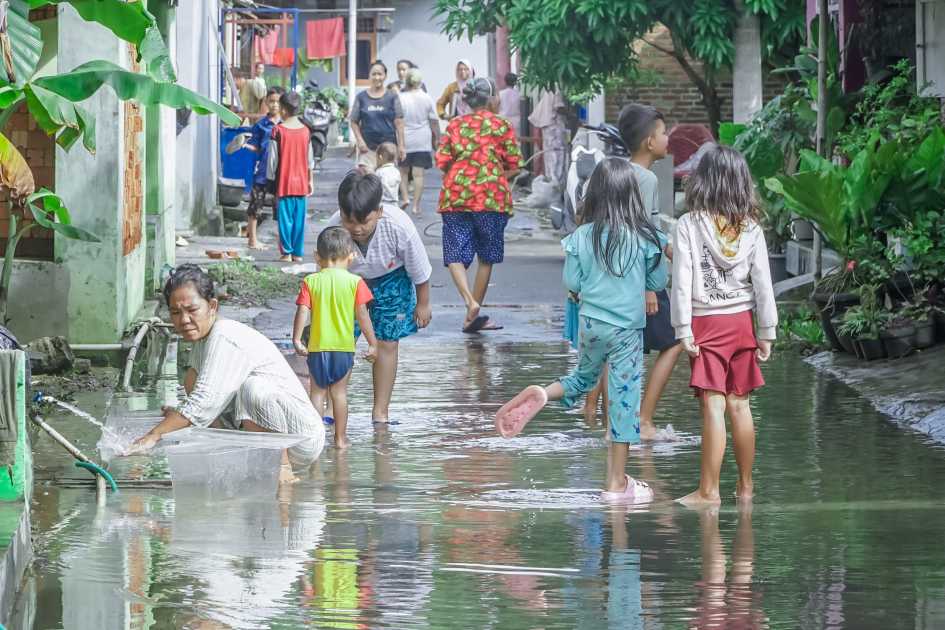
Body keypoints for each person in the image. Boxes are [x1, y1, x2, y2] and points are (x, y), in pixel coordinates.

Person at [494, 158, 668, 501]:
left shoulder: (581, 236)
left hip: (591, 325)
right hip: (627, 330)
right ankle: (617, 482)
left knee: (583, 379)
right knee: (623, 399)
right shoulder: (647, 238)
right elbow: (658, 281)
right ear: (632, 196)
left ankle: (544, 393)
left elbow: (571, 282)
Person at [130, 265, 325, 480]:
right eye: (176, 312)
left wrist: (152, 436)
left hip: (301, 439)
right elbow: (200, 399)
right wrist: (176, 420)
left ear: (212, 306)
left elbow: (202, 404)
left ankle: (283, 472)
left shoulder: (225, 336)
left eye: (192, 310)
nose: (184, 320)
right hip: (264, 428)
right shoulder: (201, 339)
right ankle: (232, 449)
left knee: (254, 390)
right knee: (191, 378)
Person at [671, 144, 777, 505]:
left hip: (705, 322)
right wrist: (767, 331)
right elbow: (763, 283)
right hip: (741, 322)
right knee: (740, 406)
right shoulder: (751, 229)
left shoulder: (688, 225)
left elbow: (682, 278)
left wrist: (682, 328)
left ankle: (708, 491)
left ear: (703, 181)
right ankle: (746, 488)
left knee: (714, 407)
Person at [587, 103, 681, 440]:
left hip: (614, 276)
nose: (668, 138)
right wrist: (651, 286)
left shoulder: (615, 172)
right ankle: (643, 419)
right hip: (641, 279)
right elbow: (645, 232)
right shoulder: (646, 179)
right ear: (648, 142)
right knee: (675, 341)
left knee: (621, 348)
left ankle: (617, 424)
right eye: (663, 132)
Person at [327, 171, 433, 425]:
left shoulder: (399, 226)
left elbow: (419, 268)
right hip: (347, 281)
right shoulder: (333, 229)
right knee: (341, 342)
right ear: (341, 213)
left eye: (364, 221)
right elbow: (326, 273)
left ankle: (380, 412)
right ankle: (332, 410)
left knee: (387, 341)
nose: (356, 229)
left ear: (379, 211)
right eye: (349, 221)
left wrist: (423, 303)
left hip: (391, 278)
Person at [436, 77, 523, 333]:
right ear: (492, 98)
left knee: (454, 253)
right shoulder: (501, 125)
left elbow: (442, 161)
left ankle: (469, 302)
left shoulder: (455, 125)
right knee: (486, 257)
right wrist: (494, 175)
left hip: (456, 197)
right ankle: (472, 313)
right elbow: (515, 164)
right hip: (491, 199)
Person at [292, 227, 379, 450]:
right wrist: (372, 343)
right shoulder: (355, 282)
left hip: (317, 348)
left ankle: (315, 440)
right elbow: (362, 315)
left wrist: (297, 340)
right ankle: (340, 440)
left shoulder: (311, 281)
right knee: (339, 394)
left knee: (317, 393)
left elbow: (302, 310)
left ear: (317, 257)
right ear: (351, 256)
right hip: (343, 348)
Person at [267, 90, 314, 263]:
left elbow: (272, 160)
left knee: (285, 219)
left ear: (283, 110)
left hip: (284, 182)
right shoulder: (306, 131)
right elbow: (310, 160)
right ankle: (298, 254)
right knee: (299, 220)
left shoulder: (277, 130)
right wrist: (310, 180)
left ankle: (286, 253)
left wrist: (270, 180)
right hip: (301, 182)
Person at [243, 86, 284, 250]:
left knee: (282, 208)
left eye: (278, 102)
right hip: (262, 172)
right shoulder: (260, 126)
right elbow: (256, 147)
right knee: (255, 205)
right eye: (272, 101)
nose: (274, 105)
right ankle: (252, 240)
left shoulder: (285, 125)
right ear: (266, 102)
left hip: (281, 172)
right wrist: (246, 146)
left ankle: (283, 242)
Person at [349, 60, 406, 172]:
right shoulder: (361, 97)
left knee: (387, 184)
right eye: (374, 74)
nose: (377, 77)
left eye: (380, 74)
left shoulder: (392, 97)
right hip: (367, 149)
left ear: (385, 76)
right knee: (368, 184)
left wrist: (401, 146)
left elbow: (399, 122)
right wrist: (360, 141)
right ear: (369, 76)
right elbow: (353, 121)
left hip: (389, 149)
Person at [398, 68, 439, 214]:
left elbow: (397, 120)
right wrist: (437, 139)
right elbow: (434, 121)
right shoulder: (426, 97)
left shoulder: (401, 98)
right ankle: (416, 205)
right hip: (422, 139)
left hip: (405, 138)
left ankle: (405, 198)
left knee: (403, 172)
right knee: (418, 174)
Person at [528, 90, 568, 186]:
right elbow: (559, 107)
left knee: (550, 156)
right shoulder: (557, 90)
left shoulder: (549, 90)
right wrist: (569, 113)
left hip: (549, 127)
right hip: (553, 128)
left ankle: (551, 182)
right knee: (556, 157)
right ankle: (555, 185)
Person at [497, 73, 522, 137]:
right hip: (516, 121)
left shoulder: (500, 94)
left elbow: (496, 106)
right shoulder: (519, 94)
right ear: (515, 82)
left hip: (503, 119)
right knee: (516, 142)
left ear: (505, 81)